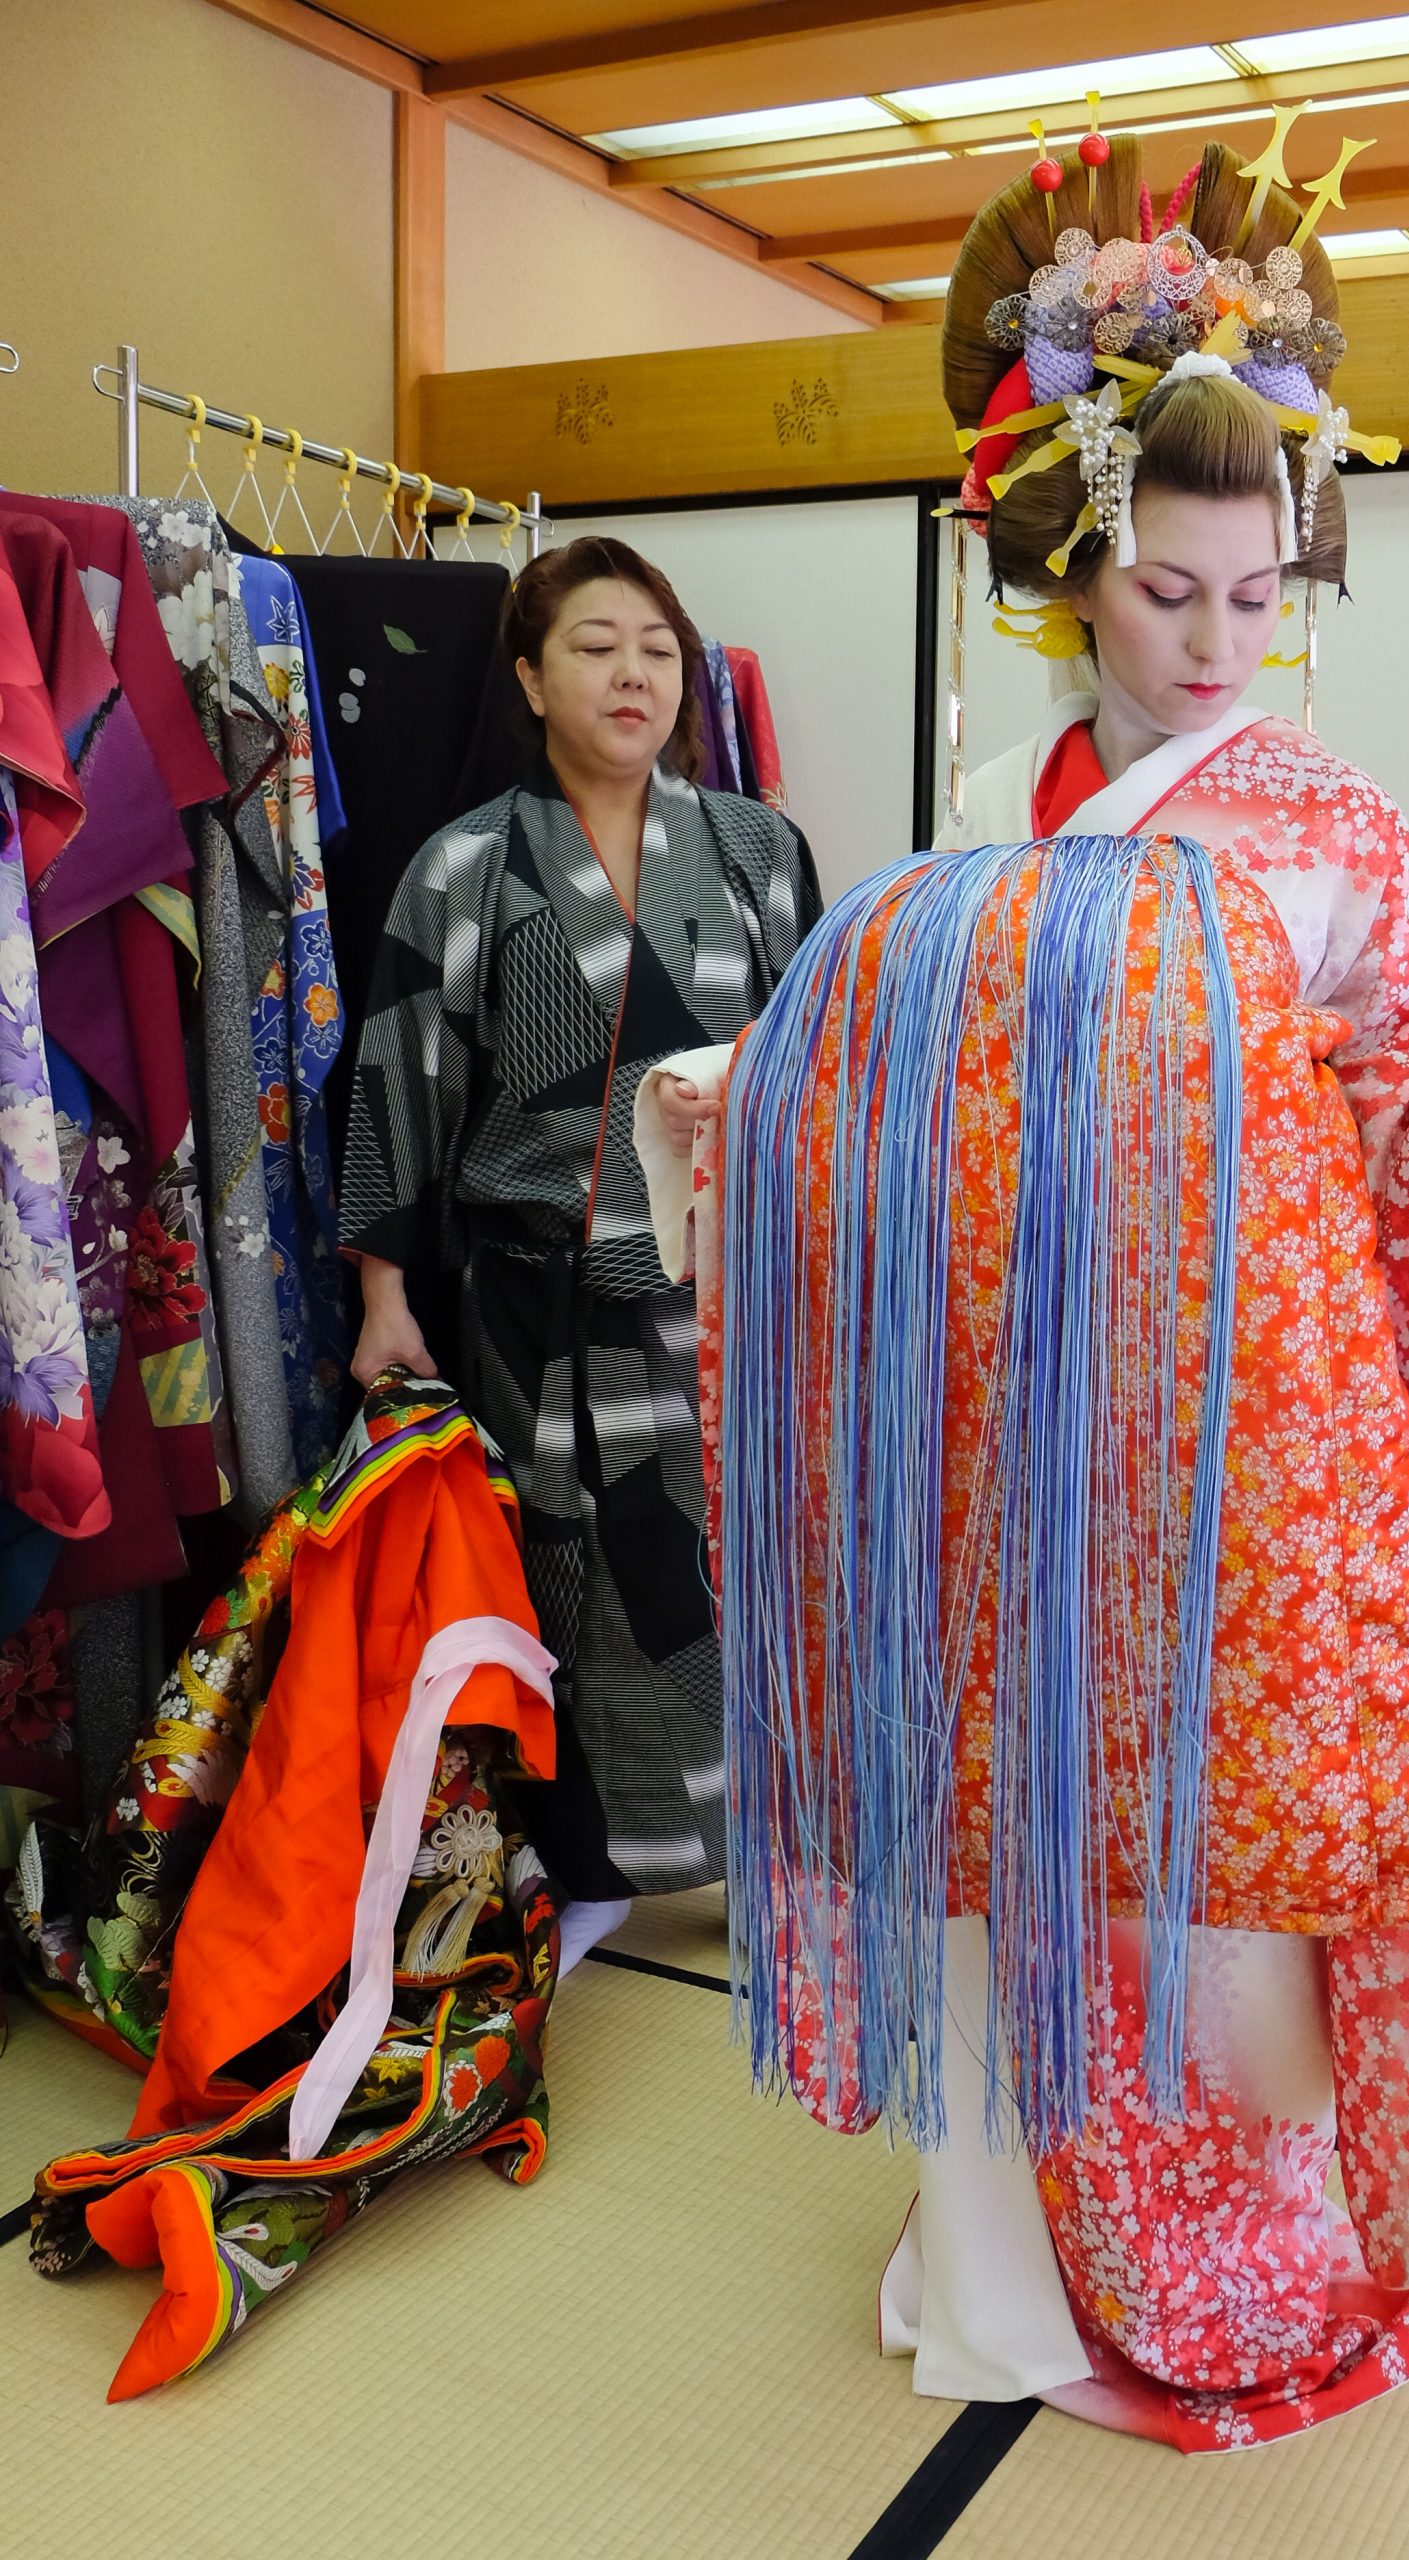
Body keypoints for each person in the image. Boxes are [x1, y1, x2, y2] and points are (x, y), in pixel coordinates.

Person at [644, 134, 1409, 2450]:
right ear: (1067, 565)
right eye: (1167, 591)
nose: (1218, 643)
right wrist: (729, 1095)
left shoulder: (1332, 829)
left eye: (1257, 597)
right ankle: (995, 2252)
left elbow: (1405, 1066)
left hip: (1244, 1440)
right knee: (999, 1837)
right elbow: (885, 1075)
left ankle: (1233, 2263)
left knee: (1213, 1883)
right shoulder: (999, 805)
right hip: (1008, 1424)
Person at [340, 537, 818, 1961]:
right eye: (598, 646)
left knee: (731, 1573)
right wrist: (380, 1291)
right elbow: (395, 1078)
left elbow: (823, 1061)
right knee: (567, 1578)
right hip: (538, 1306)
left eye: (659, 649)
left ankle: (756, 1853)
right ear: (533, 676)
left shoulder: (755, 850)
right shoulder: (467, 865)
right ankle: (584, 1861)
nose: (635, 674)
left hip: (725, 1305)